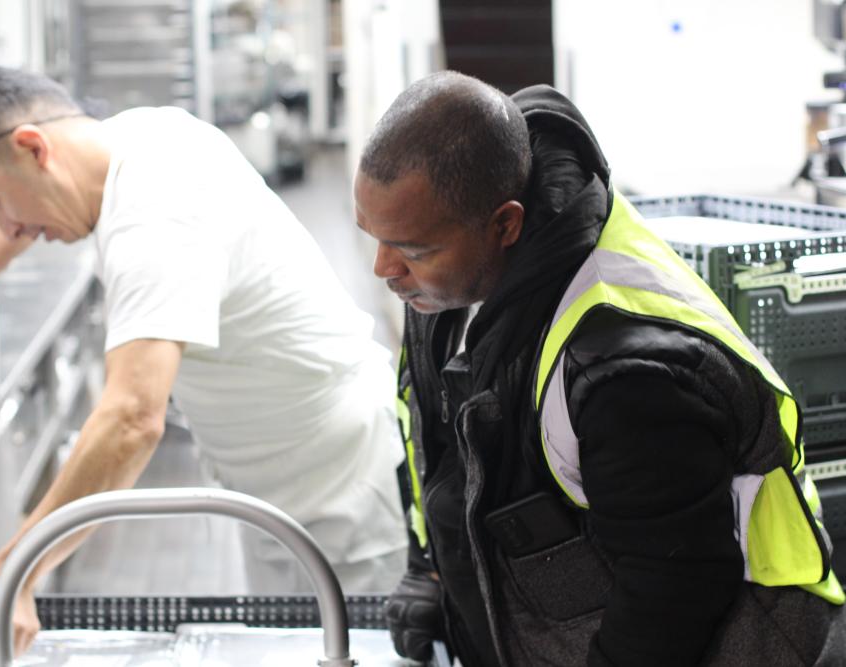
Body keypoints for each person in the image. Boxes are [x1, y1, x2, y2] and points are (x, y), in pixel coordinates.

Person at [0, 67, 407, 660]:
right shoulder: (126, 143)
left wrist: (16, 569)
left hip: (350, 494)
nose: (8, 228)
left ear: (34, 146)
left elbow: (132, 419)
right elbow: (14, 215)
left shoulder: (155, 211)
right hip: (280, 496)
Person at [354, 71, 846, 666]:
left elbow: (672, 592)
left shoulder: (622, 370)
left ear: (505, 225)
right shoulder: (445, 270)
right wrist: (429, 570)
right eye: (375, 237)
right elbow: (433, 442)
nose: (385, 267)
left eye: (411, 249)